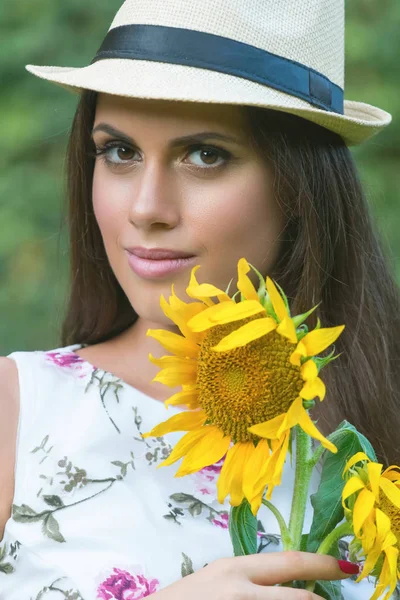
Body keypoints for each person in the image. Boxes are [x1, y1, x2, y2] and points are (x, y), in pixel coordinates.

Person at [0, 0, 399, 598]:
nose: (145, 208)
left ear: (299, 187)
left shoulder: (383, 415)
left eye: (205, 155)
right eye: (119, 152)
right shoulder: (19, 413)